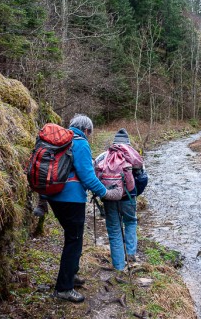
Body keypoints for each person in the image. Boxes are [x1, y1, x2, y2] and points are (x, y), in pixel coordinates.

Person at [46, 114, 121, 303]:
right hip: (71, 199)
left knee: (72, 237)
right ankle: (64, 288)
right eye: (90, 133)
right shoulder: (80, 143)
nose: (89, 136)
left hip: (54, 196)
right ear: (86, 130)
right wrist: (105, 193)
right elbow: (87, 177)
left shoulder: (61, 141)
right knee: (74, 240)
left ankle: (70, 276)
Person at [98, 128, 147, 271]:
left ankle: (119, 266)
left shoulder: (103, 156)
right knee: (131, 222)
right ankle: (130, 255)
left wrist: (102, 193)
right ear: (128, 143)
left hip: (109, 197)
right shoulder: (133, 155)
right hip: (128, 197)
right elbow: (143, 178)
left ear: (114, 142)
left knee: (114, 230)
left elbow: (95, 174)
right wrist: (134, 194)